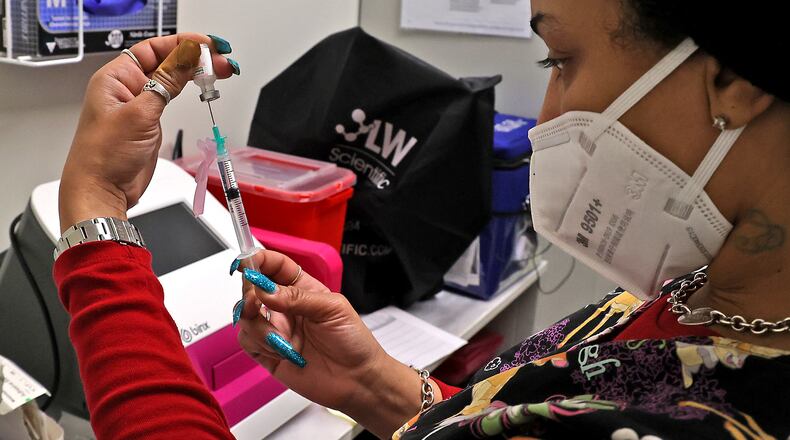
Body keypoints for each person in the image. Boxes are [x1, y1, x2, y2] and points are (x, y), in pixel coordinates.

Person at [53, 1, 789, 439]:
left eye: (561, 60)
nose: (546, 119)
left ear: (732, 80)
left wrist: (95, 204)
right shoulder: (707, 296)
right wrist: (376, 386)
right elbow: (526, 415)